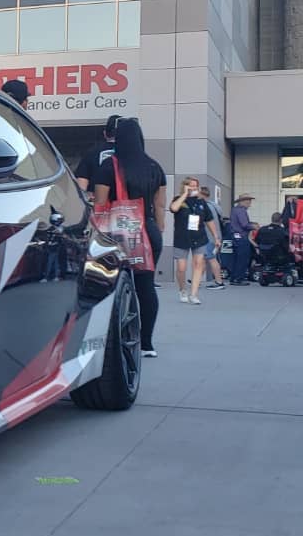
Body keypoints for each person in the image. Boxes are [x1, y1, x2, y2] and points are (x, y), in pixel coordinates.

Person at [93, 117, 166, 357]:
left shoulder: (108, 167)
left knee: (112, 286)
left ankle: (116, 338)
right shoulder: (155, 167)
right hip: (148, 233)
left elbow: (100, 204)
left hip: (117, 234)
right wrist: (156, 232)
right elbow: (160, 206)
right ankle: (147, 344)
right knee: (146, 286)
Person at [169, 176, 220, 304]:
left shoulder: (201, 202)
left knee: (198, 264)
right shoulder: (179, 200)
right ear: (185, 186)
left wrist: (216, 236)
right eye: (191, 185)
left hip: (199, 236)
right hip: (182, 237)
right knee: (181, 267)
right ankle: (182, 290)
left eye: (195, 186)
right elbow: (173, 208)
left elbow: (209, 220)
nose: (194, 188)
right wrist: (185, 194)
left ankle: (194, 294)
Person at [75, 115, 120, 193]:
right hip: (128, 203)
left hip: (98, 201)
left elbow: (81, 185)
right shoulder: (134, 154)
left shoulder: (91, 152)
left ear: (105, 133)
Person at [198, 186, 227, 290]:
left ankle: (219, 282)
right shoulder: (215, 206)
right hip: (216, 236)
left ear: (201, 194)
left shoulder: (205, 207)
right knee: (203, 259)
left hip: (209, 237)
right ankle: (197, 279)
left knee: (211, 259)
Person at [227, 194, 258, 285]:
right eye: (248, 201)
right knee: (243, 258)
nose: (250, 203)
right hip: (241, 236)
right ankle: (238, 278)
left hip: (235, 236)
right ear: (243, 201)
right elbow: (244, 224)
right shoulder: (241, 211)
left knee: (236, 258)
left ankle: (234, 278)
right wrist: (254, 227)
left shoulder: (235, 209)